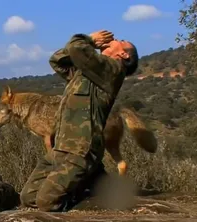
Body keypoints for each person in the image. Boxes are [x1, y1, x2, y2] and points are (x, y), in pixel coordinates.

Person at [20, 30, 139, 212]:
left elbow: (76, 48)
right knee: (28, 196)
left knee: (46, 202)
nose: (114, 38)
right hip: (61, 148)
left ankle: (88, 202)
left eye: (121, 40)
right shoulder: (87, 71)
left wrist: (90, 40)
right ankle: (94, 183)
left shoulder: (113, 70)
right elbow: (56, 60)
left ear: (123, 54)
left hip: (81, 150)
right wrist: (87, 44)